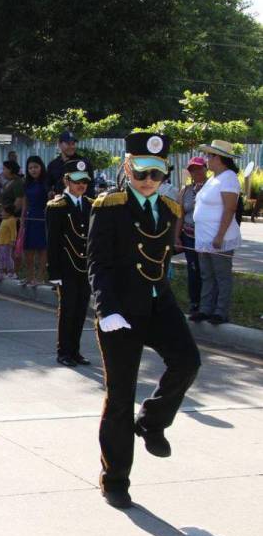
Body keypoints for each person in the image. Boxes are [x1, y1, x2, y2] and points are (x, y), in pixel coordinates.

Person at [87, 131, 201, 510]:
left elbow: (162, 262)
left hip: (157, 301)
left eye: (156, 174)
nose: (148, 182)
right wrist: (106, 309)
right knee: (120, 397)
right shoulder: (109, 207)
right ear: (127, 168)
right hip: (121, 309)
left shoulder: (170, 210)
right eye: (141, 174)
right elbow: (98, 263)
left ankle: (151, 421)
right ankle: (115, 478)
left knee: (187, 361)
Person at [46, 159, 93, 367]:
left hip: (85, 266)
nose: (81, 185)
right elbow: (53, 241)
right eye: (76, 181)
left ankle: (75, 351)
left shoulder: (91, 205)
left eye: (84, 181)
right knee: (67, 310)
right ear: (67, 181)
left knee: (81, 309)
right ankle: (63, 351)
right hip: (66, 267)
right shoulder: (57, 206)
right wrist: (54, 271)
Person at [191, 140, 242, 325]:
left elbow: (230, 209)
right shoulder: (213, 178)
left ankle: (220, 311)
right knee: (207, 275)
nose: (206, 159)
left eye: (209, 156)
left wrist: (220, 235)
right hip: (205, 238)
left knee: (221, 275)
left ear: (219, 158)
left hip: (219, 237)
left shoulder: (229, 177)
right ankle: (206, 309)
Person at [175, 157, 207, 315]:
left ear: (206, 169)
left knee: (206, 271)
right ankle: (195, 302)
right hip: (189, 235)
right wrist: (176, 236)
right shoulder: (185, 190)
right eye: (193, 169)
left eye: (200, 168)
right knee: (193, 270)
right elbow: (180, 215)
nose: (197, 172)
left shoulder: (212, 187)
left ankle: (208, 304)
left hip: (206, 236)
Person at [19, 156, 50, 286]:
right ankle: (29, 276)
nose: (33, 170)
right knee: (28, 249)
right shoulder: (27, 183)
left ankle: (40, 277)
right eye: (30, 168)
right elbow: (25, 203)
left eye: (36, 167)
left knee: (42, 249)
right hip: (30, 218)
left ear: (41, 167)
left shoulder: (46, 182)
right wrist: (22, 220)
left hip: (42, 218)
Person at [47, 131, 95, 196]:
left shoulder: (84, 163)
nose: (71, 147)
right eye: (68, 144)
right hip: (60, 204)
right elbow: (47, 186)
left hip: (80, 203)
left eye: (73, 144)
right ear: (59, 144)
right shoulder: (53, 165)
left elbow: (91, 187)